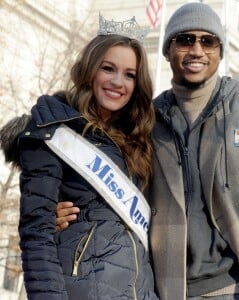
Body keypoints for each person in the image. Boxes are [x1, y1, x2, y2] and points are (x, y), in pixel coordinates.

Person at [55, 2, 239, 300]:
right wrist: (61, 213)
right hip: (166, 291)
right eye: (185, 39)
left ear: (219, 52)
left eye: (207, 41)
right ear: (168, 51)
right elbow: (112, 192)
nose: (196, 50)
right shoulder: (144, 120)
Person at [0, 15, 159, 300]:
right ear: (89, 70)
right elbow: (37, 234)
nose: (117, 81)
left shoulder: (138, 143)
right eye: (108, 68)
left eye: (129, 74)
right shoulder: (54, 131)